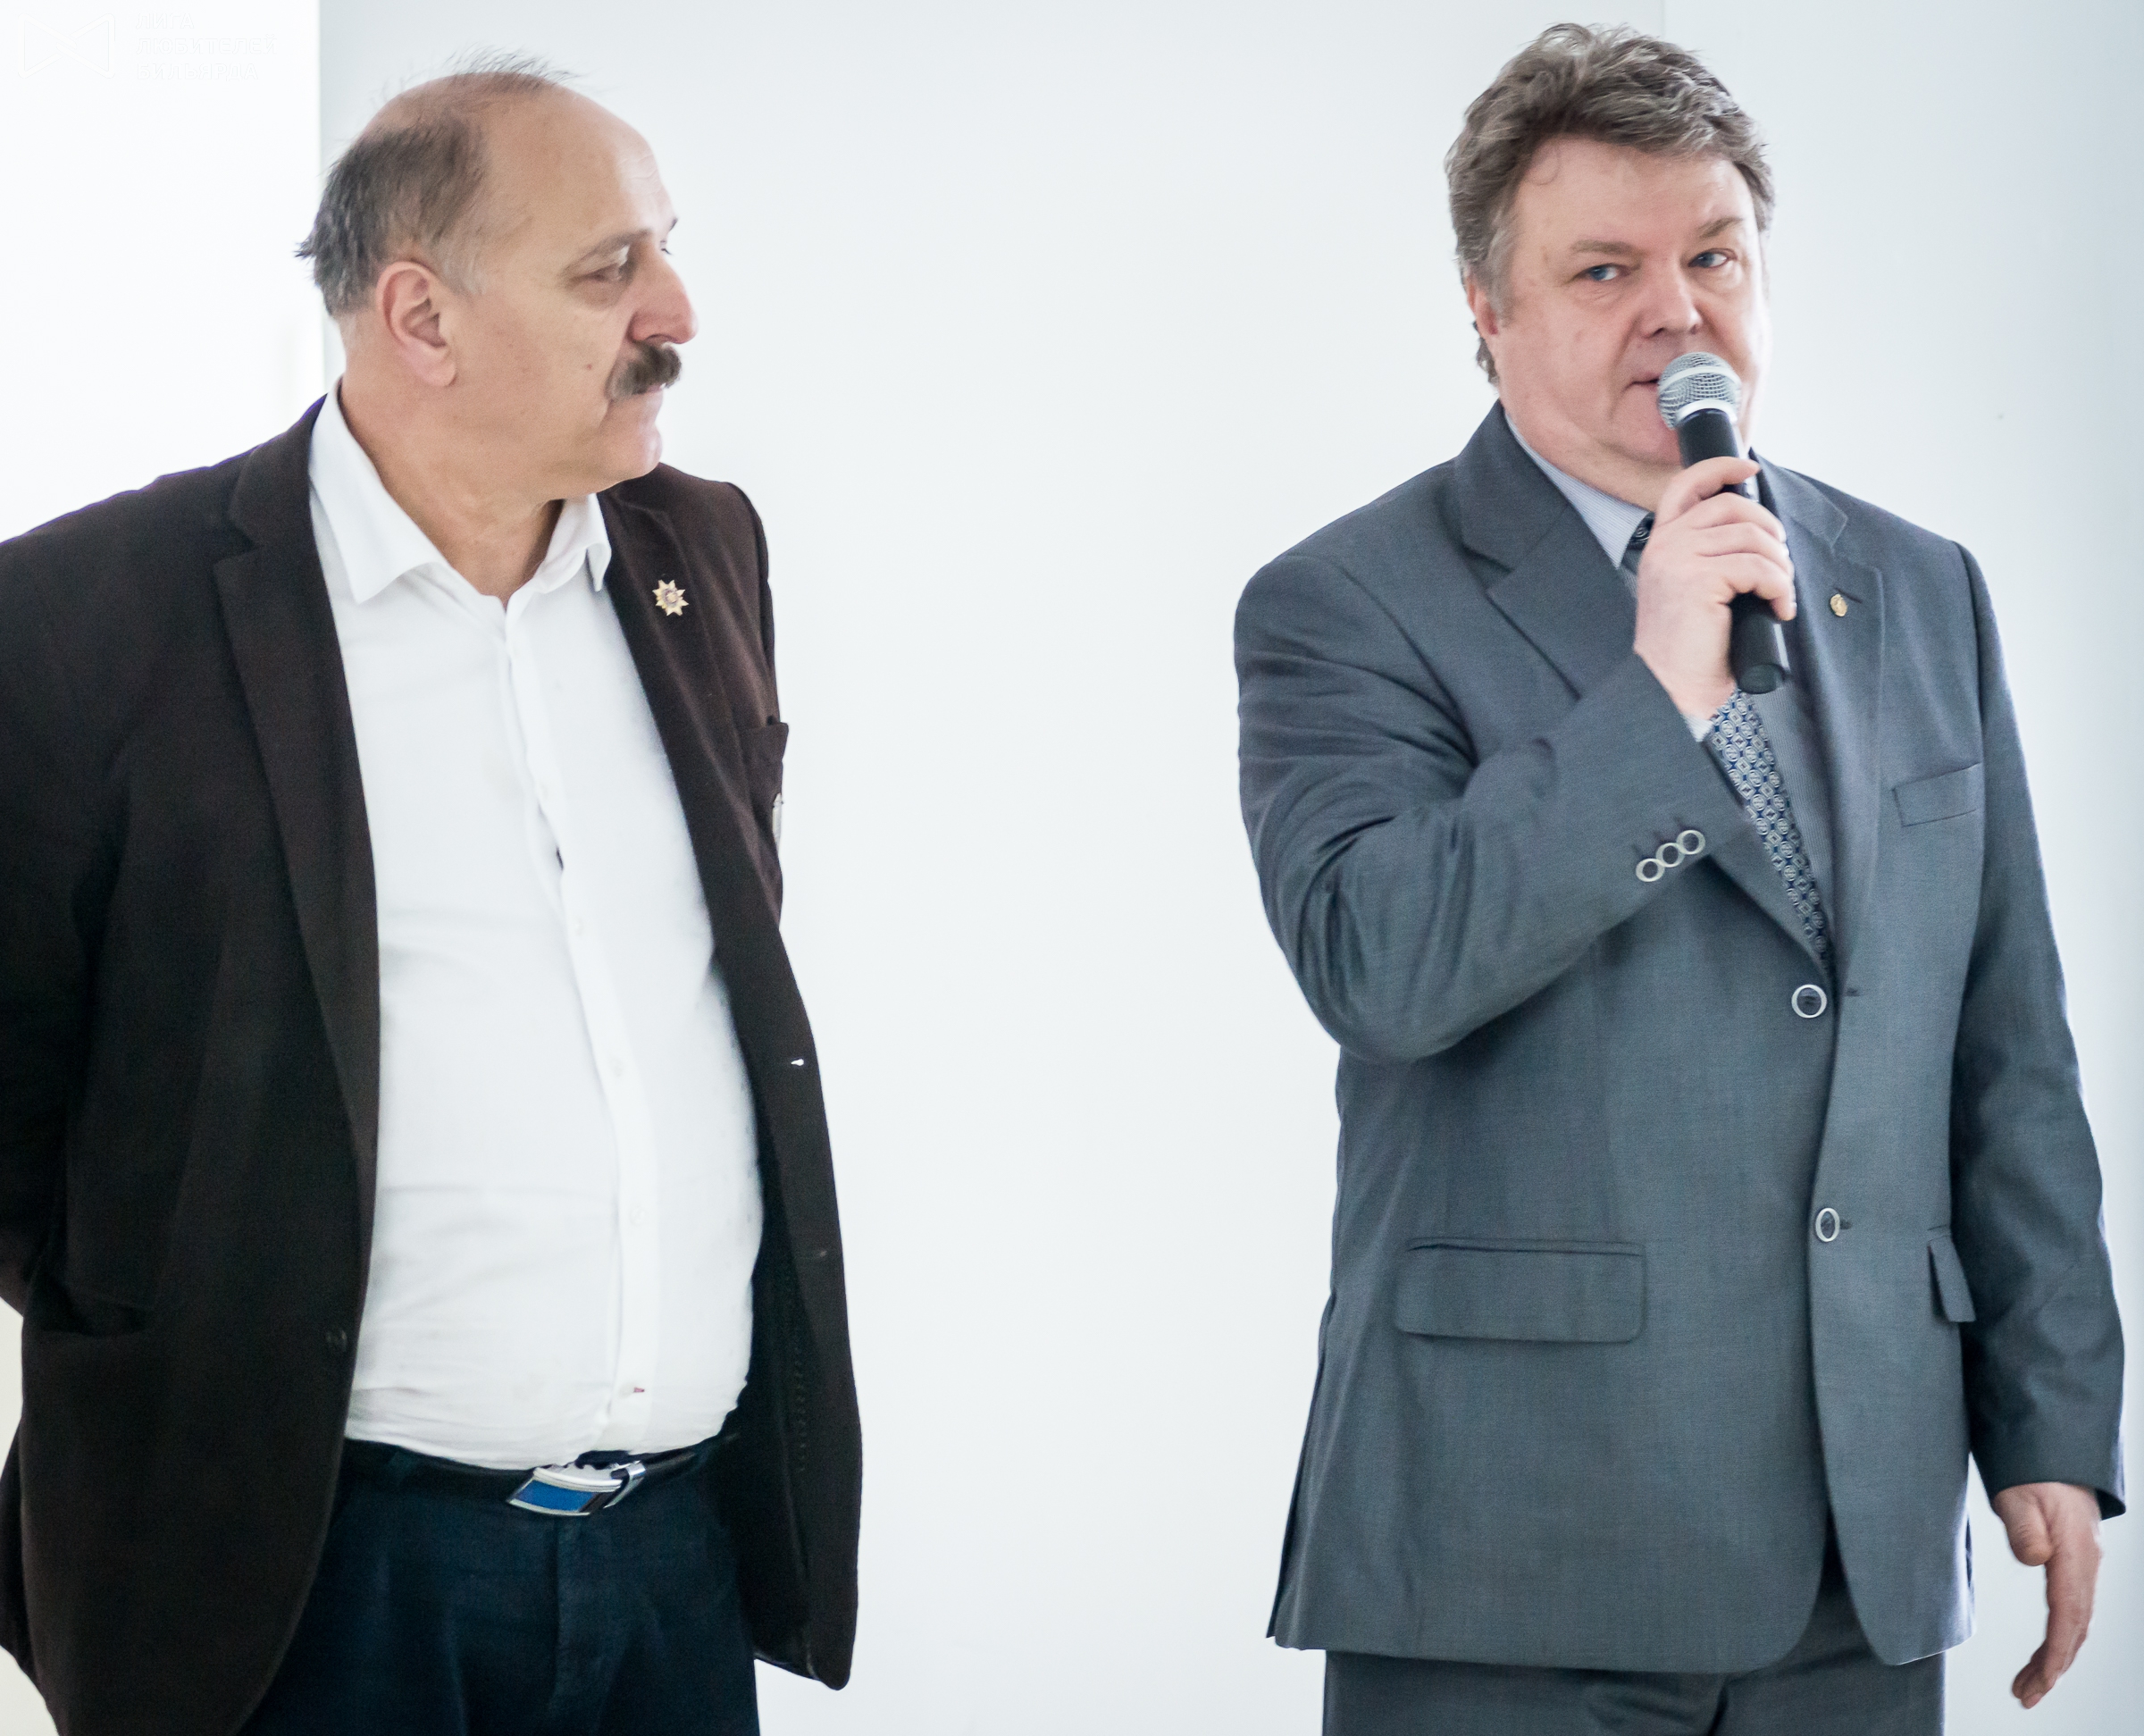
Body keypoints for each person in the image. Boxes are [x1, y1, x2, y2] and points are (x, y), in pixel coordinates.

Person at [1235, 24, 2123, 1735]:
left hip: (1863, 1554)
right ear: (1485, 311)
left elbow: (2006, 1042)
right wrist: (1658, 704)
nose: (1677, 312)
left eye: (1713, 257)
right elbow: (1378, 962)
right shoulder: (1344, 601)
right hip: (1512, 1553)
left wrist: (2054, 1421)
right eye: (1605, 270)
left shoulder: (1918, 588)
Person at [0, 57, 858, 1735]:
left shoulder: (704, 555)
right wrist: (190, 1303)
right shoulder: (88, 618)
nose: (675, 312)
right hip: (303, 1582)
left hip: (671, 1563)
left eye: (664, 247)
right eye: (609, 269)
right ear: (421, 318)